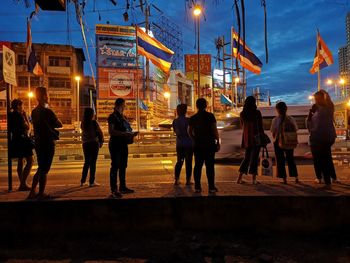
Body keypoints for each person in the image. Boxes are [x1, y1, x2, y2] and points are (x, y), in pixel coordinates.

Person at [28, 87, 62, 199]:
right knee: (44, 169)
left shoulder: (34, 112)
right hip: (47, 142)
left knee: (40, 167)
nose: (48, 97)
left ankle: (32, 191)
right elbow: (59, 124)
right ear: (43, 96)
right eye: (47, 95)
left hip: (38, 142)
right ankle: (41, 193)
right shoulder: (48, 111)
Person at [188, 98, 220, 193]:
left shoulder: (193, 118)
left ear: (197, 106)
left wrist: (194, 139)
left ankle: (197, 187)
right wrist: (217, 141)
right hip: (209, 143)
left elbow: (189, 132)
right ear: (206, 106)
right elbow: (214, 130)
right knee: (210, 166)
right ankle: (211, 187)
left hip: (198, 144)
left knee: (198, 165)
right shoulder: (210, 116)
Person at [108, 98, 137, 198]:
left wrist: (131, 134)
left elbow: (126, 128)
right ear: (119, 105)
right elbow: (111, 131)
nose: (125, 107)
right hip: (115, 143)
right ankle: (114, 189)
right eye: (124, 105)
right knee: (115, 165)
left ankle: (122, 187)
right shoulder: (112, 117)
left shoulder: (123, 117)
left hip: (123, 144)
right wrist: (124, 133)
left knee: (123, 165)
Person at [307, 90, 337, 187]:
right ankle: (332, 178)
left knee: (320, 159)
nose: (316, 100)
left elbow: (310, 126)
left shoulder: (327, 108)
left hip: (320, 138)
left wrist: (324, 93)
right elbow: (309, 124)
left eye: (317, 98)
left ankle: (326, 180)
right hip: (326, 137)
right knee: (326, 158)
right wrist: (310, 114)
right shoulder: (325, 109)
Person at [270, 101, 299, 184]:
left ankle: (284, 179)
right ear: (286, 108)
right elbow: (296, 129)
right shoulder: (291, 119)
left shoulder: (275, 120)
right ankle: (296, 177)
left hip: (278, 141)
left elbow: (273, 132)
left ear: (277, 110)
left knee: (280, 160)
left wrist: (276, 139)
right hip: (289, 141)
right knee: (290, 159)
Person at [236, 96, 263, 185]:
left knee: (247, 158)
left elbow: (242, 126)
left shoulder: (242, 114)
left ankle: (239, 178)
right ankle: (254, 179)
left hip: (247, 138)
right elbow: (260, 127)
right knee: (254, 158)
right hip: (256, 137)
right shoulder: (257, 113)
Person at [8, 99, 34, 191]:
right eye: (22, 105)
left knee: (20, 162)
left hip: (16, 140)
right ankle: (23, 184)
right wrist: (26, 117)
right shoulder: (18, 116)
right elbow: (27, 127)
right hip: (23, 140)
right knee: (30, 161)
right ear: (18, 106)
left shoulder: (11, 115)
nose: (23, 107)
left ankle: (22, 184)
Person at [80, 107, 104, 187]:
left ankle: (82, 181)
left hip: (85, 144)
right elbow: (100, 132)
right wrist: (101, 141)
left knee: (86, 162)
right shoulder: (94, 122)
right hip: (94, 143)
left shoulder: (83, 123)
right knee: (93, 163)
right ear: (91, 114)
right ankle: (91, 182)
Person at [172, 104, 193, 186]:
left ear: (177, 111)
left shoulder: (175, 121)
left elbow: (177, 133)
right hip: (189, 144)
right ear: (185, 111)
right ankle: (188, 180)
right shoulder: (189, 120)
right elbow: (192, 132)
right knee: (188, 162)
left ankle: (176, 180)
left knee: (179, 161)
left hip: (180, 144)